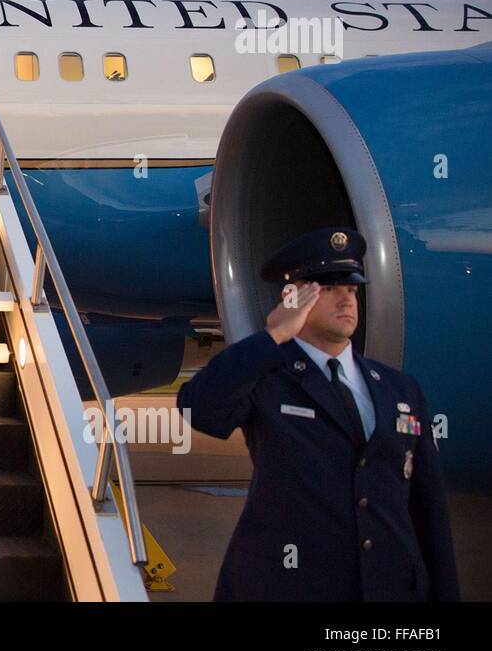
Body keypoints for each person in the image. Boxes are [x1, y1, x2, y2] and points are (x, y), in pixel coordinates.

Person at [178, 227, 459, 601]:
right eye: (328, 289)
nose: (346, 300)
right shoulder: (268, 378)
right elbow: (199, 409)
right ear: (293, 296)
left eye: (351, 289)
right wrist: (272, 335)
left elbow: (429, 512)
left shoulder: (399, 389)